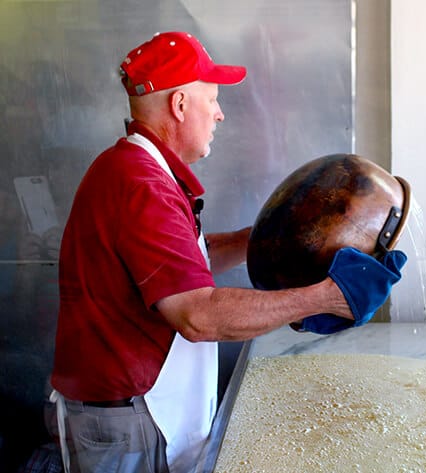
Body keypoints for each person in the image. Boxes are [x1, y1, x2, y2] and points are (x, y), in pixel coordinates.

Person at [48, 31, 406, 473]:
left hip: (130, 411)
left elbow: (180, 264)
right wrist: (330, 296)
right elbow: (198, 314)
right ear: (180, 105)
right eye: (212, 99)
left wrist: (280, 236)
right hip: (126, 418)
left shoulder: (134, 169)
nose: (219, 114)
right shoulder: (141, 185)